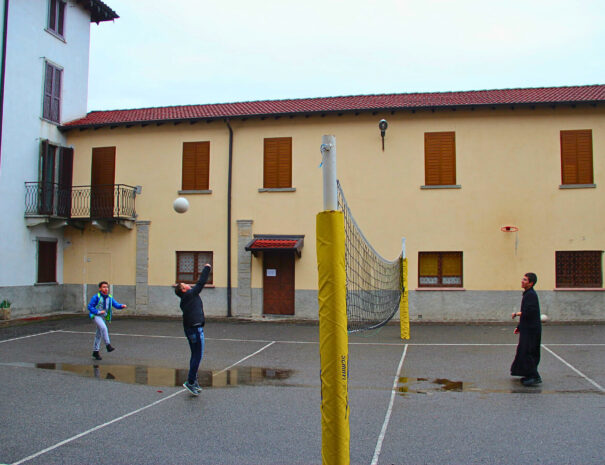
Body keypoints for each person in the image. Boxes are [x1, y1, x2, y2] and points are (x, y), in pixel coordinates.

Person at [174, 263, 212, 396]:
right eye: (186, 285)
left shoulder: (186, 298)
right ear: (184, 290)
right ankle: (190, 381)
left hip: (190, 328)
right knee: (197, 355)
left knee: (194, 355)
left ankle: (194, 381)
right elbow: (201, 283)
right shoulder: (189, 295)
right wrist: (207, 268)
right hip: (195, 329)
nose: (189, 286)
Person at [510, 272, 542, 386]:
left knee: (529, 351)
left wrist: (517, 313)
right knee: (523, 350)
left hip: (532, 330)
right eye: (522, 279)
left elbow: (529, 312)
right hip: (527, 328)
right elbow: (526, 314)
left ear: (531, 283)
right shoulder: (527, 294)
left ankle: (535, 376)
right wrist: (519, 327)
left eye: (525, 280)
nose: (522, 281)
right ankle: (526, 373)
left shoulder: (531, 295)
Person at [87, 281, 127, 360]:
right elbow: (90, 307)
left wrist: (122, 306)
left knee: (98, 334)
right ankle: (108, 345)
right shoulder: (96, 297)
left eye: (107, 287)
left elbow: (116, 305)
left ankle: (95, 352)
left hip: (103, 317)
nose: (106, 289)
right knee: (104, 328)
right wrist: (98, 312)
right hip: (96, 316)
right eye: (104, 287)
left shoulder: (109, 297)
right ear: (100, 288)